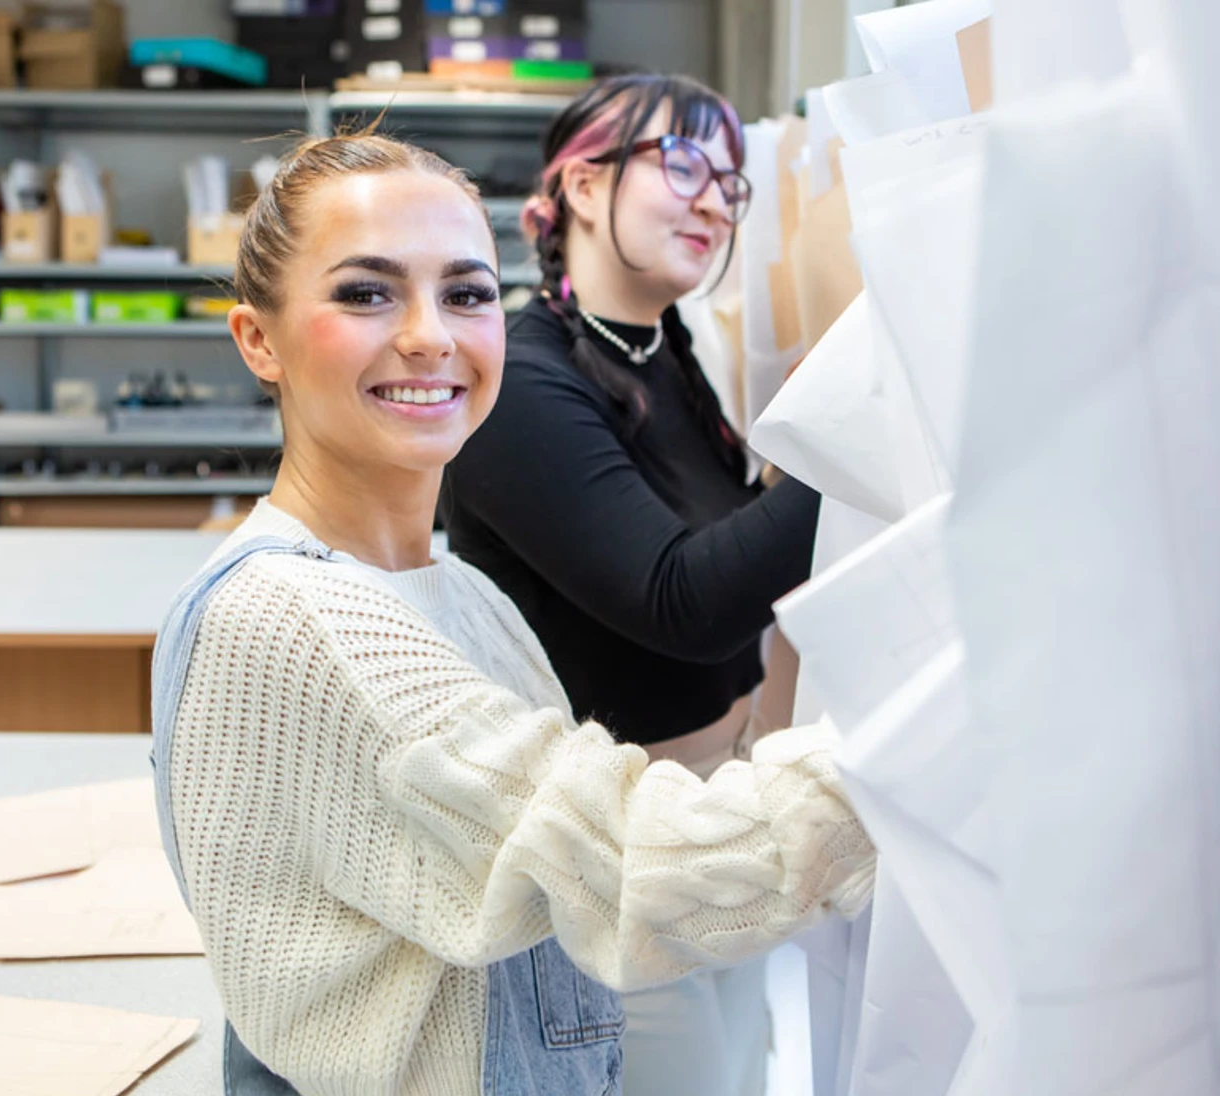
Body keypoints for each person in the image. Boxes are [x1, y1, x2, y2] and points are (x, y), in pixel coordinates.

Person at [151, 126, 873, 1096]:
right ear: (258, 340)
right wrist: (928, 744)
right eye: (366, 292)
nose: (428, 335)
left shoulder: (461, 593)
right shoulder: (298, 619)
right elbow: (626, 863)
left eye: (465, 293)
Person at [438, 73, 822, 1096]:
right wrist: (858, 433)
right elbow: (680, 603)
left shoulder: (666, 353)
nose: (711, 199)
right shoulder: (520, 381)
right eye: (682, 164)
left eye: (730, 183)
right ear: (578, 186)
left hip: (708, 816)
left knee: (743, 1069)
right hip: (613, 853)